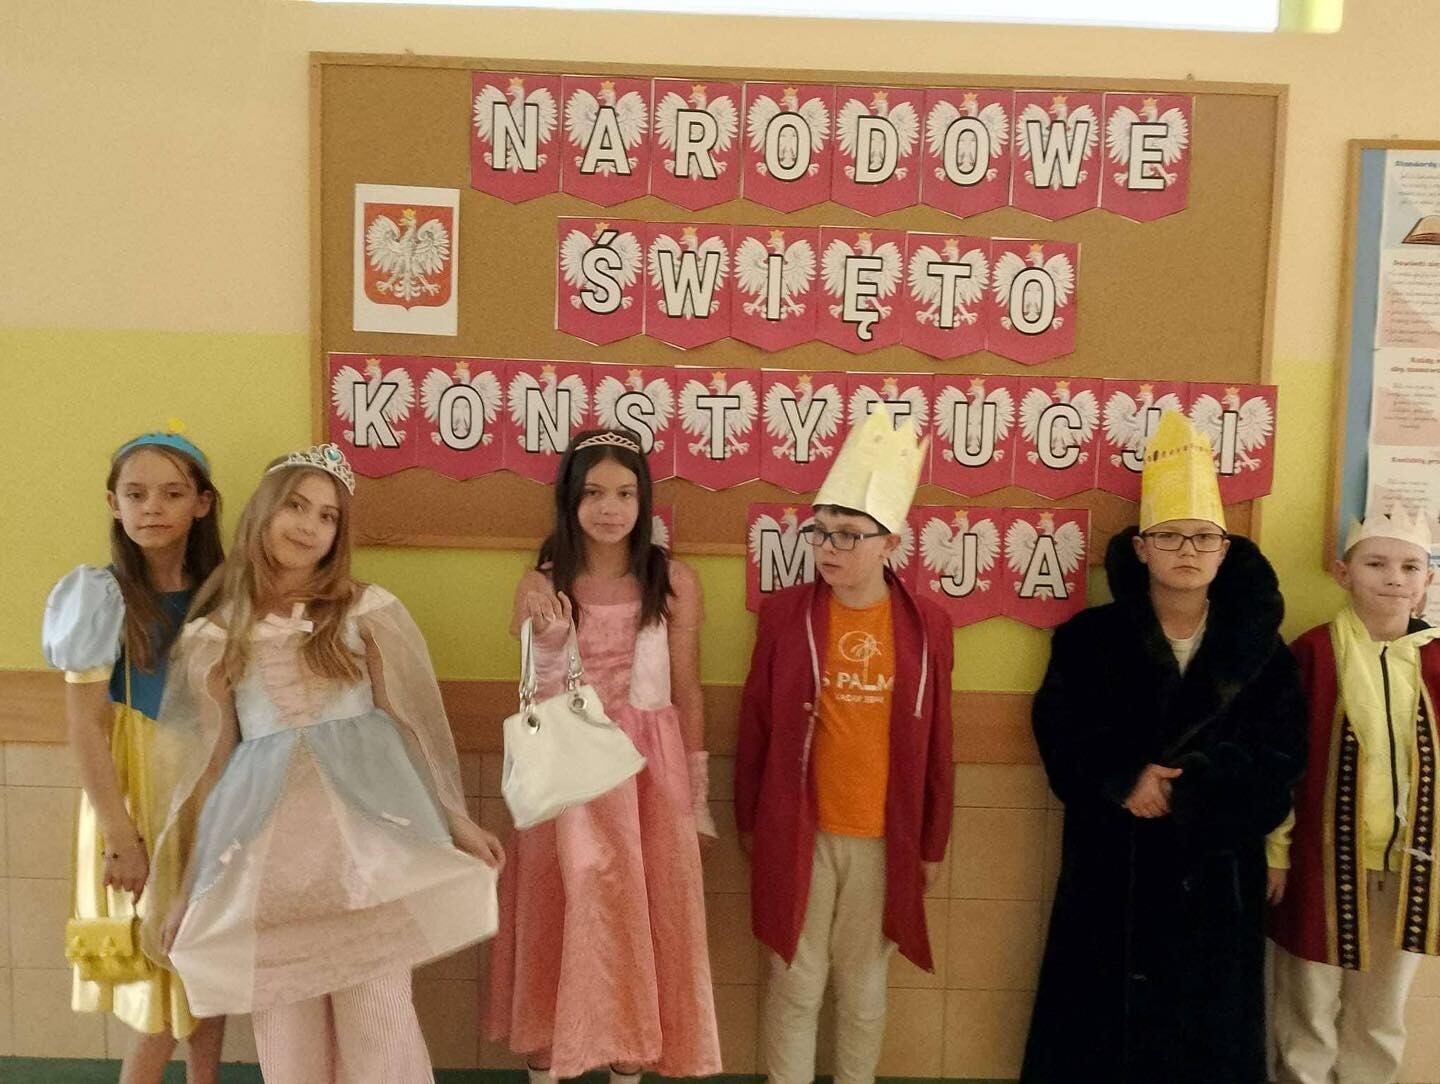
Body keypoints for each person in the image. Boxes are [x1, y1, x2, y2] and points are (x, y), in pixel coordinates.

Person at [145, 442, 503, 1084]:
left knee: (379, 1008)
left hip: (368, 847)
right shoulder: (217, 635)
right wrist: (187, 888)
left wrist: (456, 819)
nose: (309, 525)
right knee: (285, 1020)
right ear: (263, 511)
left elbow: (410, 723)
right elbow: (212, 770)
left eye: (328, 516)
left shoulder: (364, 611)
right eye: (296, 506)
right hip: (269, 860)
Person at [1021, 411, 1307, 1083]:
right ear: (1142, 548)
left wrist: (1195, 790)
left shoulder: (1263, 654)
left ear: (1224, 551)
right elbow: (1059, 731)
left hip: (1216, 875)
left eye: (1203, 537)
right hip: (1111, 864)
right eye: (1170, 535)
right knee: (1099, 1032)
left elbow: (1282, 758)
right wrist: (1124, 777)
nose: (1187, 550)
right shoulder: (1088, 640)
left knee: (1204, 1036)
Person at [485, 429, 721, 1083]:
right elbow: (534, 691)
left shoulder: (672, 581)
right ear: (570, 500)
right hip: (568, 778)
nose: (609, 508)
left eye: (624, 493)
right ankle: (546, 1064)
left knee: (641, 925)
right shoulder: (542, 583)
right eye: (593, 493)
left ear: (644, 501)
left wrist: (698, 798)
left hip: (650, 780)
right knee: (559, 917)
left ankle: (627, 1066)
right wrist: (548, 637)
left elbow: (687, 690)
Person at [736, 407, 955, 1084]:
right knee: (796, 982)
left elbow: (939, 740)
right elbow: (755, 722)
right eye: (821, 531)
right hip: (801, 827)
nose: (830, 548)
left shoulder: (927, 625)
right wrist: (750, 819)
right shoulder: (787, 615)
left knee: (862, 988)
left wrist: (932, 841)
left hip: (883, 835)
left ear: (891, 544)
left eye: (849, 535)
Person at [42, 424, 227, 1084]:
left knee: (209, 965)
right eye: (136, 493)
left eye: (172, 493)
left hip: (212, 785)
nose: (153, 507)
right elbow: (85, 727)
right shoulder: (100, 596)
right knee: (158, 978)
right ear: (113, 502)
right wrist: (122, 837)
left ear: (201, 504)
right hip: (137, 795)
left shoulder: (224, 594)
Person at [1269, 508, 1439, 1083]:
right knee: (1308, 1001)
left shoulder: (1439, 660)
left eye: (1410, 567)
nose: (1394, 578)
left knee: (1381, 1009)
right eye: (1376, 564)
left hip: (1412, 866)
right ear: (1343, 573)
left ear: (1428, 579)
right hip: (1321, 860)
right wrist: (1276, 850)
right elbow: (1283, 763)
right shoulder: (1314, 653)